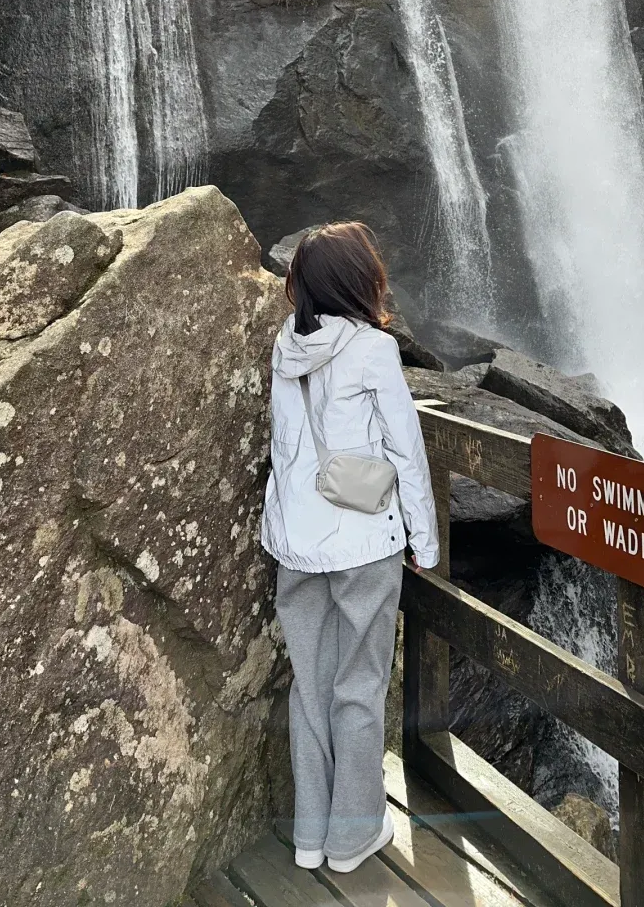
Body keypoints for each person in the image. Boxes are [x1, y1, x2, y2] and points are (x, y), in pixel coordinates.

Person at [261, 222, 440, 874]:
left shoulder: (288, 344)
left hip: (296, 542)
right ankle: (352, 838)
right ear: (362, 282)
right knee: (358, 688)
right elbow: (407, 452)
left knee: (310, 687)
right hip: (362, 540)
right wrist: (424, 538)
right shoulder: (373, 350)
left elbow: (287, 446)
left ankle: (311, 837)